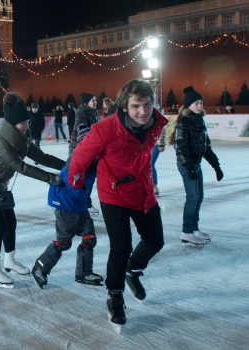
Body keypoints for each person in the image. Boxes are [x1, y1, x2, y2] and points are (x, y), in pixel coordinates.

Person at [67, 79, 168, 328]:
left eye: (146, 104)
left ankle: (132, 271)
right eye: (136, 106)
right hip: (113, 194)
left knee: (155, 240)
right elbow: (80, 156)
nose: (143, 111)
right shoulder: (105, 129)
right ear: (124, 106)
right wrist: (76, 184)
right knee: (121, 247)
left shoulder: (154, 122)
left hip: (143, 190)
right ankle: (115, 295)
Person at [0, 92, 65, 288]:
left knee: (11, 223)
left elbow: (40, 156)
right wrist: (51, 179)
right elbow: (21, 167)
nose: (27, 126)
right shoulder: (2, 144)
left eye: (27, 122)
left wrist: (66, 166)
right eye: (24, 123)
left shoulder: (21, 138)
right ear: (14, 124)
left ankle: (9, 260)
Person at [33, 160, 103, 289]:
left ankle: (84, 273)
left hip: (79, 203)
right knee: (64, 242)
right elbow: (75, 179)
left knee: (89, 238)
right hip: (64, 202)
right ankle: (40, 267)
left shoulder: (96, 161)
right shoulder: (79, 158)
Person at [173, 86, 224, 245]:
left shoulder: (200, 121)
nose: (200, 106)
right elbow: (180, 147)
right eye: (196, 103)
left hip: (197, 164)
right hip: (187, 165)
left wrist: (216, 166)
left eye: (201, 103)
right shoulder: (183, 123)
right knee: (193, 197)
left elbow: (206, 147)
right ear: (188, 105)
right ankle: (187, 231)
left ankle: (194, 229)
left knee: (199, 197)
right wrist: (189, 168)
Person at [70, 93, 100, 214]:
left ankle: (83, 203)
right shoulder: (83, 114)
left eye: (95, 99)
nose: (95, 102)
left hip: (89, 150)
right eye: (93, 100)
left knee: (89, 179)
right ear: (86, 102)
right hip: (83, 151)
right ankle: (83, 204)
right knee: (85, 179)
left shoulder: (91, 112)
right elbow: (82, 135)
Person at [150, 125, 167, 196]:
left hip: (155, 144)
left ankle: (154, 185)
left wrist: (161, 144)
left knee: (150, 163)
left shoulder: (155, 116)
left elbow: (161, 129)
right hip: (145, 144)